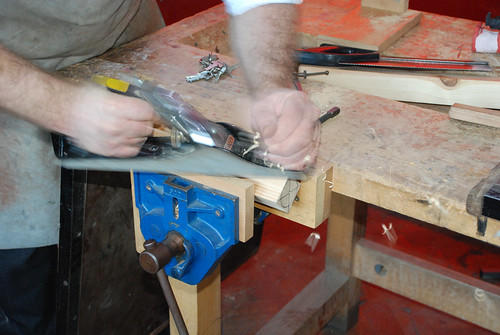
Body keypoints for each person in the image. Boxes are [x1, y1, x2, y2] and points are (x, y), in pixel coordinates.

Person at [0, 0, 320, 334]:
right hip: (16, 81)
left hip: (129, 46)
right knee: (39, 296)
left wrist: (271, 84)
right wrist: (61, 106)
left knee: (136, 283)